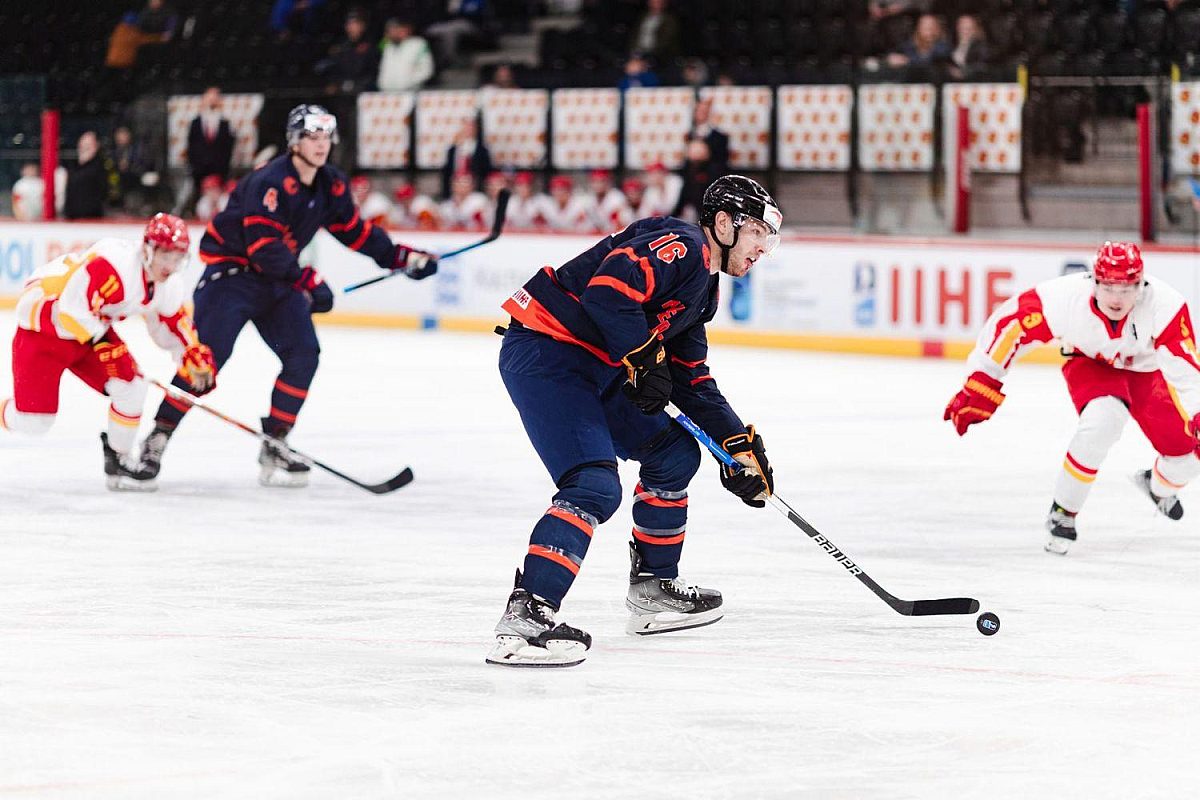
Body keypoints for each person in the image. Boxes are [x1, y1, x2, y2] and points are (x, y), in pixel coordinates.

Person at [487, 175, 782, 667]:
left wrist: (737, 448)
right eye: (757, 234)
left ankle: (652, 591)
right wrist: (644, 356)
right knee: (594, 486)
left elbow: (692, 381)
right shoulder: (684, 245)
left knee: (674, 453)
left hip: (595, 366)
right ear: (725, 224)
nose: (762, 250)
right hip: (548, 353)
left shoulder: (703, 291)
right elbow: (608, 292)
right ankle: (525, 619)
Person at [136, 105, 439, 487]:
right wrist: (308, 279)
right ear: (295, 141)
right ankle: (158, 436)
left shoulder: (331, 184)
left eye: (326, 137)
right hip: (232, 276)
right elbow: (263, 247)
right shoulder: (270, 180)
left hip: (277, 282)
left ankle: (275, 441)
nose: (320, 144)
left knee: (303, 355)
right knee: (207, 361)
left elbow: (356, 232)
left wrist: (403, 257)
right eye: (312, 136)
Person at [945, 242, 1200, 555]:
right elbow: (1011, 325)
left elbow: (1183, 365)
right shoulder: (1063, 298)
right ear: (1094, 280)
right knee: (1103, 422)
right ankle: (1063, 512)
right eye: (1108, 287)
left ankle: (1158, 486)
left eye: (1127, 288)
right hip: (1090, 365)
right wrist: (983, 378)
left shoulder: (1166, 304)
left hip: (1149, 373)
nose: (1117, 298)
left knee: (1187, 460)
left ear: (1141, 284)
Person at [0, 214, 214, 492]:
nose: (170, 266)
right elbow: (68, 313)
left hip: (90, 331)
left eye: (177, 258)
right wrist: (103, 345)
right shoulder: (113, 265)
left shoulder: (168, 282)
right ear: (148, 248)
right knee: (34, 422)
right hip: (44, 332)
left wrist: (189, 352)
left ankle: (119, 461)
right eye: (165, 255)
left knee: (132, 386)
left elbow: (171, 322)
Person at [187, 87, 235, 187]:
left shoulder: (225, 123)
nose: (212, 100)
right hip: (199, 171)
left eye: (215, 97)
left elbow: (228, 146)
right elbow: (191, 145)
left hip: (219, 170)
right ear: (204, 99)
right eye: (209, 97)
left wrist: (223, 165)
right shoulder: (195, 123)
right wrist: (195, 166)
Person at [64, 132, 115, 220]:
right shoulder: (74, 166)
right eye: (81, 145)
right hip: (72, 218)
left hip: (92, 218)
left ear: (96, 146)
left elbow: (105, 192)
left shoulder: (101, 166)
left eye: (88, 145)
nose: (84, 148)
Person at [376, 17, 435, 92]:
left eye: (397, 28)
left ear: (407, 29)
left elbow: (427, 70)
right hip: (386, 92)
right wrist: (382, 84)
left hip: (410, 91)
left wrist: (409, 82)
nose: (394, 31)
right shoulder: (387, 45)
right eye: (391, 29)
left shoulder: (419, 43)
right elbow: (377, 52)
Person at [440, 118, 492, 200]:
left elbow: (486, 172)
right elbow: (447, 172)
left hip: (475, 191)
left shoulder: (483, 150)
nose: (468, 130)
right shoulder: (452, 150)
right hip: (455, 192)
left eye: (471, 127)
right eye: (466, 127)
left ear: (475, 129)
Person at [948, 14, 989, 80]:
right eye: (962, 28)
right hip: (950, 83)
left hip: (972, 82)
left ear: (975, 30)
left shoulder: (981, 47)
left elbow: (983, 66)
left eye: (969, 29)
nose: (965, 32)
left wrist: (963, 72)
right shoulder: (951, 44)